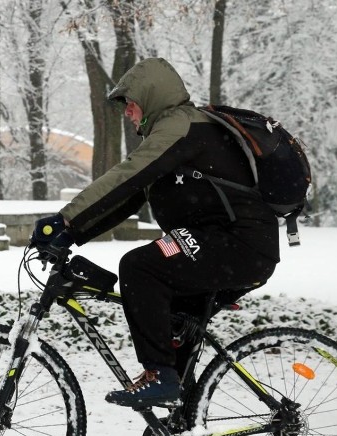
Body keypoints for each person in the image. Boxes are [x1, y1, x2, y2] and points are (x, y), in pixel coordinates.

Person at [31, 57, 279, 411]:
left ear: (150, 98)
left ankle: (159, 376)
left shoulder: (181, 126)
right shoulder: (175, 133)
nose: (128, 114)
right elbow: (129, 198)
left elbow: (128, 175)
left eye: (130, 105)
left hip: (237, 243)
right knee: (176, 337)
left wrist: (64, 220)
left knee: (140, 266)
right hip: (215, 245)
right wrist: (71, 233)